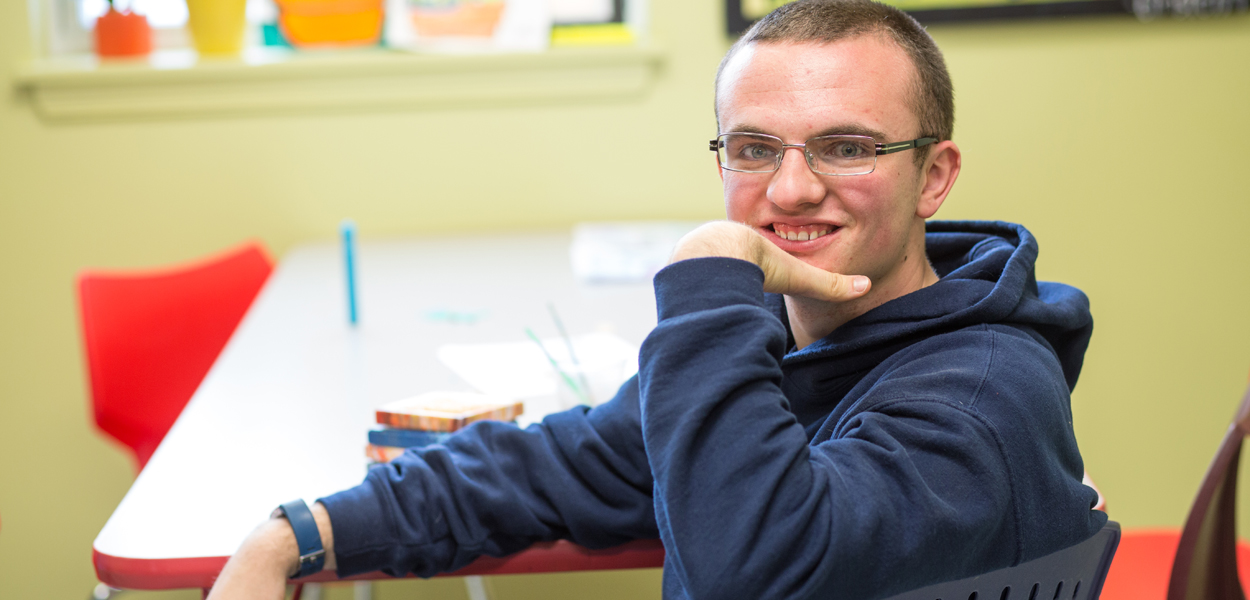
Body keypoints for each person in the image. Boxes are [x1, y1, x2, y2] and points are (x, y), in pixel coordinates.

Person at [208, 1, 1106, 598]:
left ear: (934, 176)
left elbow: (744, 577)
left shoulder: (981, 397)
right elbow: (561, 465)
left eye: (844, 146)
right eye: (754, 148)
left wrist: (711, 278)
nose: (790, 189)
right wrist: (293, 535)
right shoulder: (788, 342)